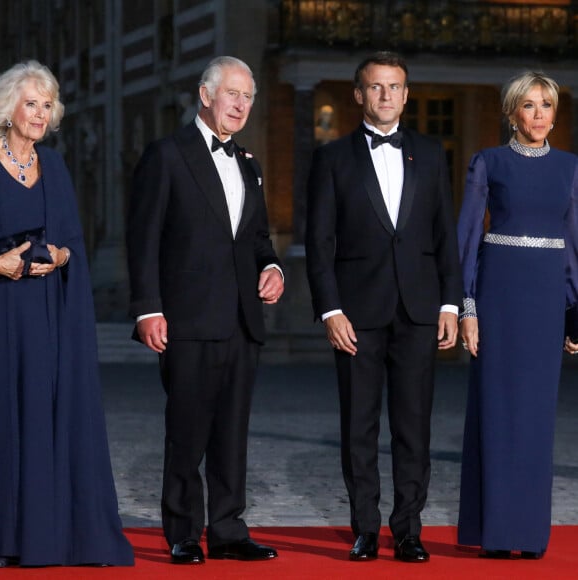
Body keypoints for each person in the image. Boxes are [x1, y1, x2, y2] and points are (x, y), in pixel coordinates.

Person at [305, 51, 462, 564]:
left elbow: (446, 237)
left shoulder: (432, 153)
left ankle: (409, 529)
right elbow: (319, 243)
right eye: (376, 87)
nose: (386, 95)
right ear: (359, 94)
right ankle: (366, 529)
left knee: (414, 426)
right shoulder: (331, 158)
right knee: (359, 426)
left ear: (407, 93)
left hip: (419, 311)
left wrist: (449, 303)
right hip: (356, 316)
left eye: (395, 86)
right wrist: (330, 312)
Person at [127, 56, 284, 565]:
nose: (240, 105)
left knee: (232, 433)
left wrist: (274, 268)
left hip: (242, 320)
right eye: (232, 94)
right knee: (187, 429)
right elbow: (143, 238)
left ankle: (229, 529)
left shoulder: (250, 165)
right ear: (205, 95)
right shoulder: (167, 155)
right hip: (188, 319)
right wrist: (148, 309)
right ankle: (183, 532)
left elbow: (258, 237)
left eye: (247, 97)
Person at [0, 61, 134, 567]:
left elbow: (74, 240)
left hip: (50, 314)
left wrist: (60, 256)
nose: (39, 113)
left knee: (43, 414)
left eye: (46, 104)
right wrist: (1, 262)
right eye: (30, 102)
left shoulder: (54, 165)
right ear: (8, 106)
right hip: (3, 310)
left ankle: (51, 536)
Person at [457, 71, 578, 559]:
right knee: (497, 410)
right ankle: (497, 532)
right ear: (511, 112)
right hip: (498, 296)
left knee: (535, 417)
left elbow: (574, 245)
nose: (538, 115)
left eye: (546, 105)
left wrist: (576, 311)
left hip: (546, 300)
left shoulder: (571, 167)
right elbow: (467, 237)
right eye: (528, 106)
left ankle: (528, 535)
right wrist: (467, 306)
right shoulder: (488, 162)